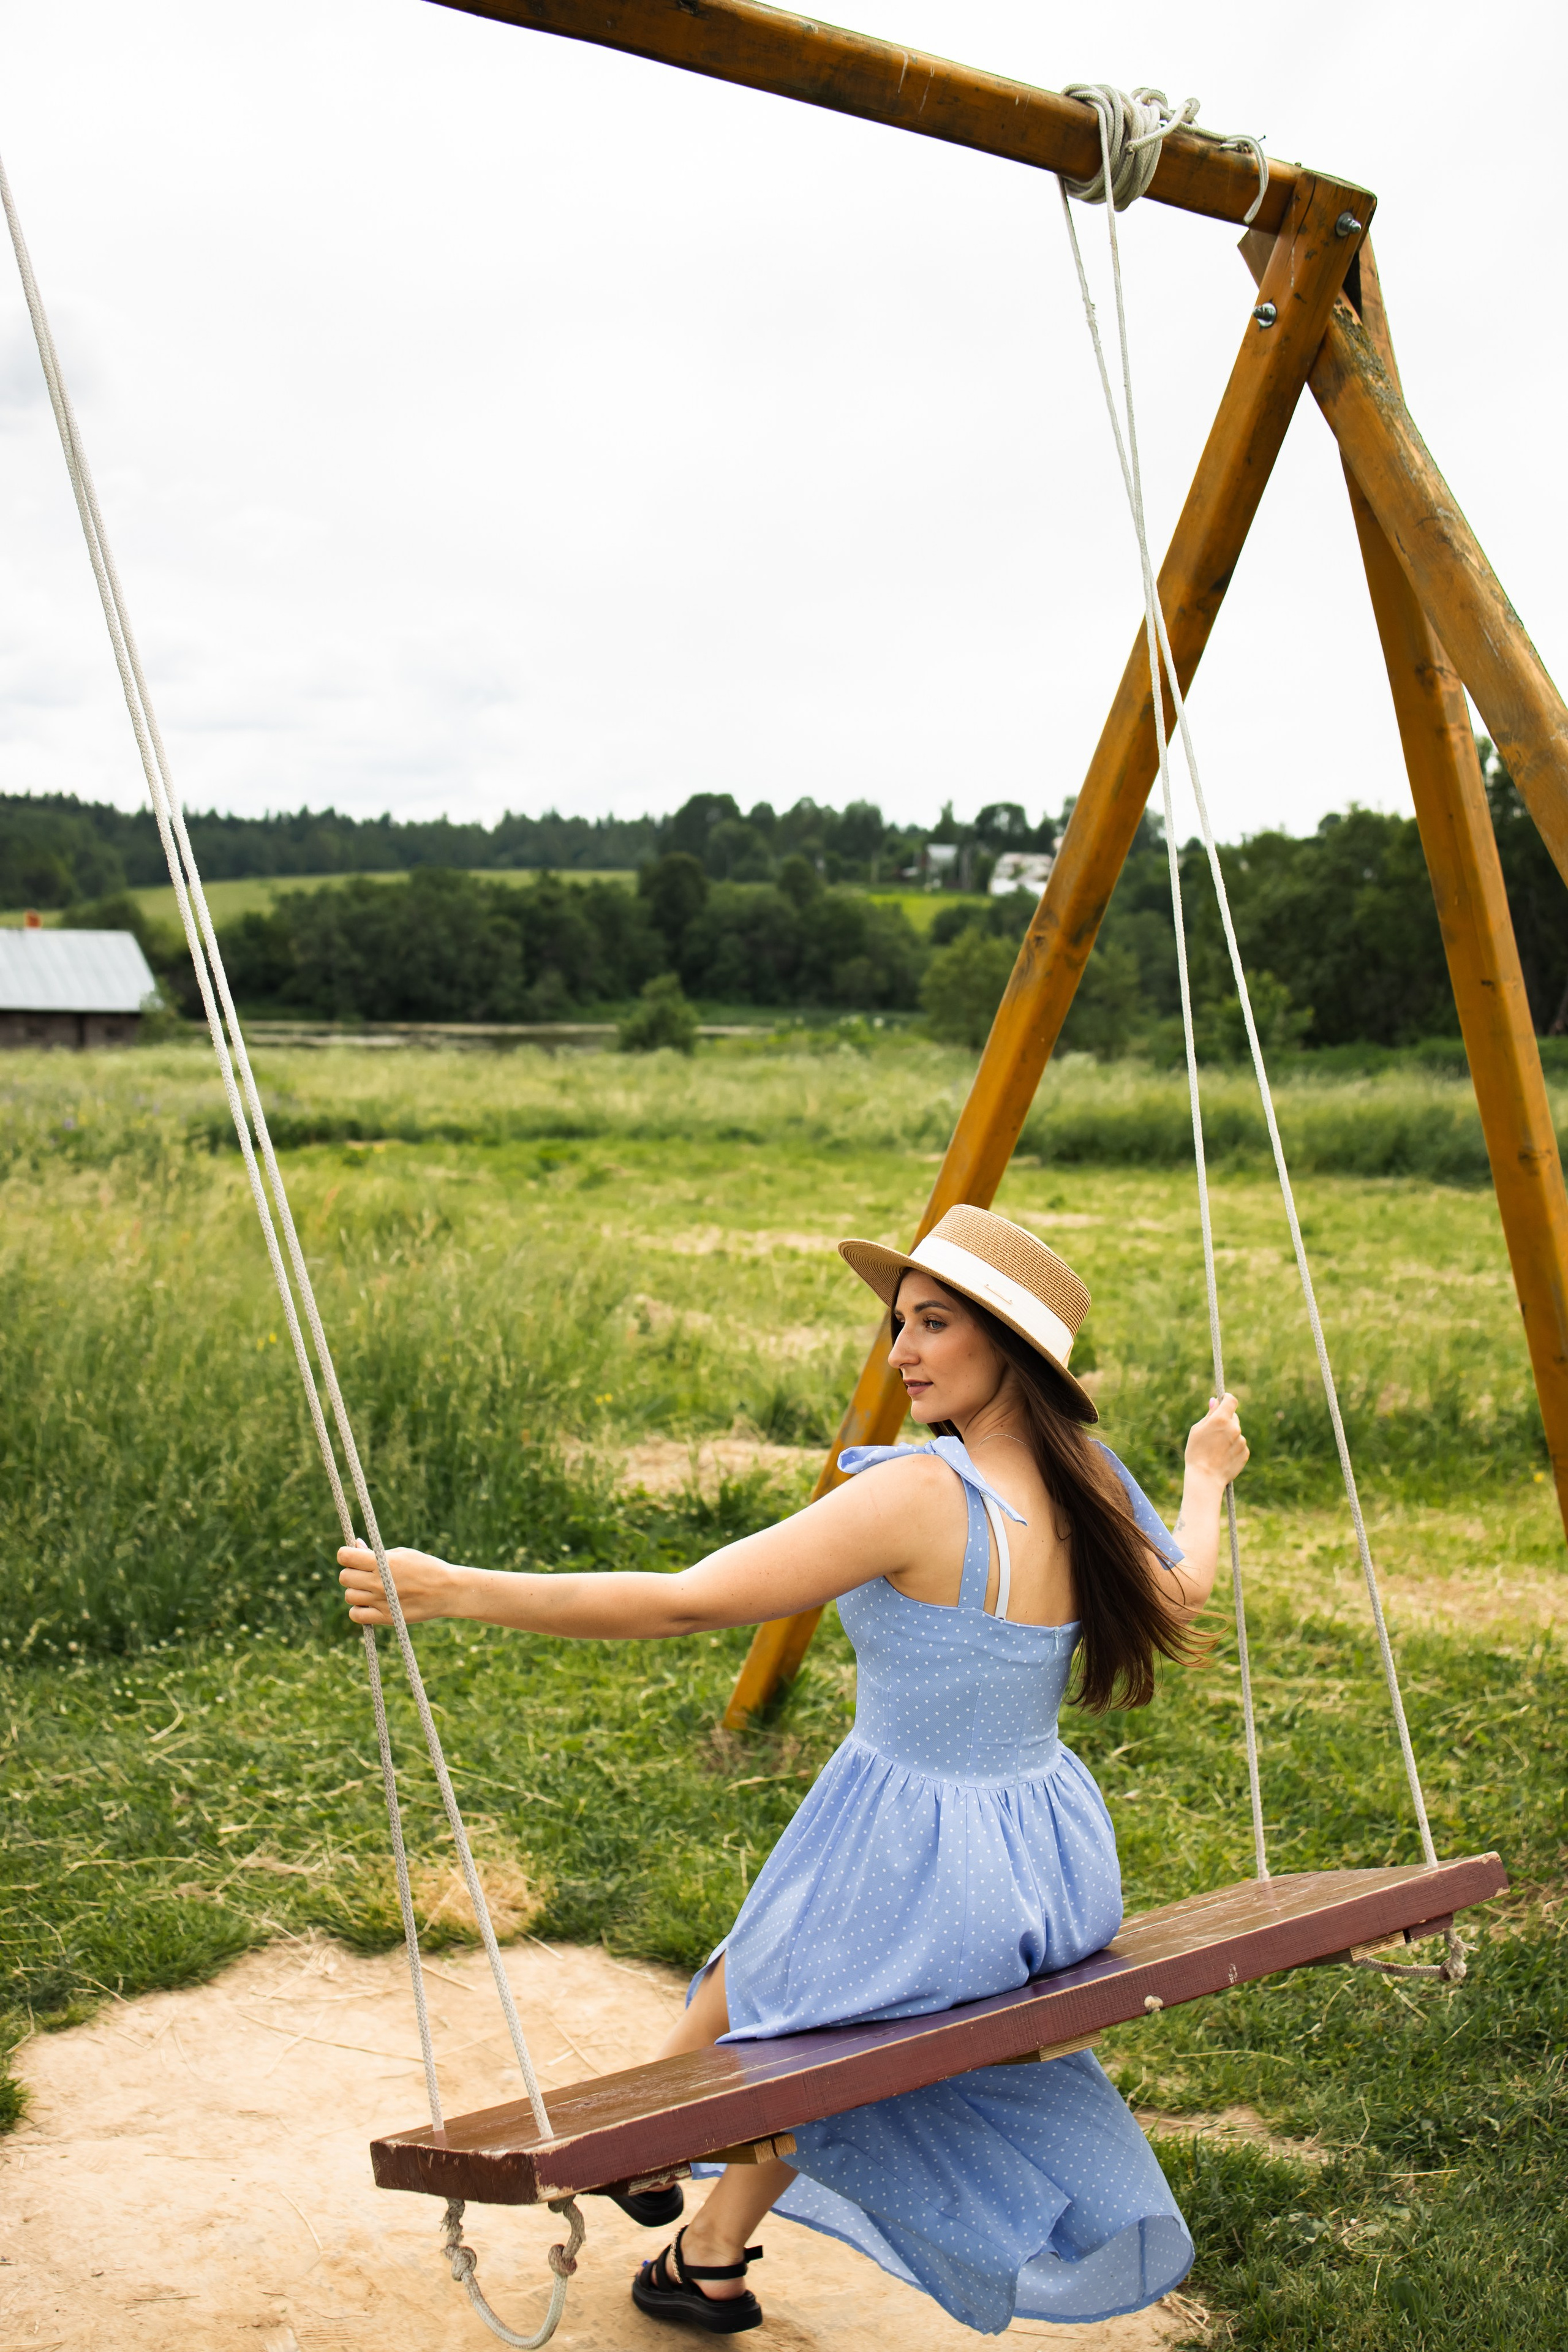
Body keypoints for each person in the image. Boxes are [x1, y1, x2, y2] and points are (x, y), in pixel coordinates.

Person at [339, 1203, 1249, 2337]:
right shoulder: (1099, 1490)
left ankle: (651, 2135)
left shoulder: (922, 1494)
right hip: (1046, 1857)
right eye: (897, 1325)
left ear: (1004, 1346)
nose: (901, 1352)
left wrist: (455, 1588)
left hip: (915, 1848)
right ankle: (704, 2244)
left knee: (787, 1999)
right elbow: (1186, 1592)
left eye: (930, 1324)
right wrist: (1207, 1477)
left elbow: (684, 1600)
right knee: (781, 1963)